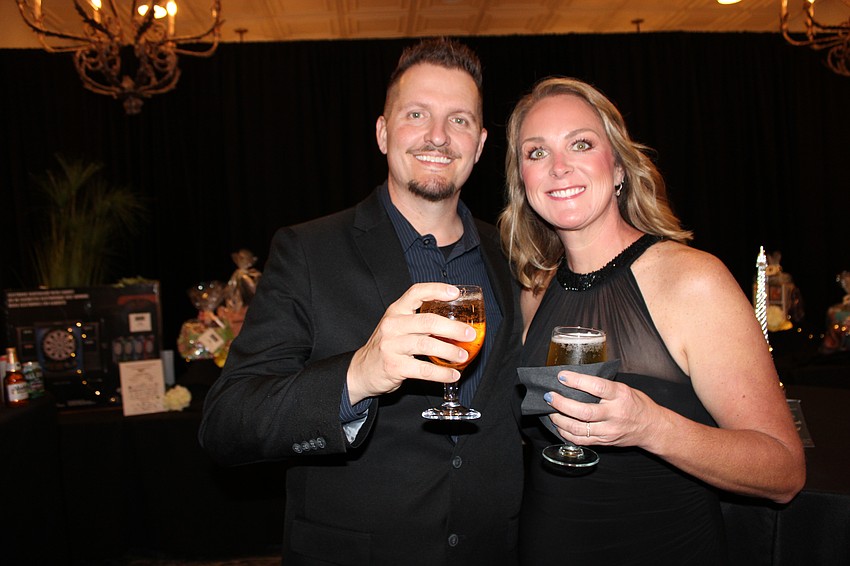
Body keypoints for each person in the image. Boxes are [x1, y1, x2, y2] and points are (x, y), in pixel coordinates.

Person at [199, 38, 524, 566]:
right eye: (416, 114)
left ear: (481, 144)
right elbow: (227, 423)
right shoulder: (307, 251)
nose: (438, 136)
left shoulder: (514, 255)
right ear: (382, 132)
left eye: (459, 120)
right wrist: (358, 376)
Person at [497, 77, 805, 565]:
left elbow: (784, 472)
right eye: (536, 153)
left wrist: (650, 426)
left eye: (580, 144)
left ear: (617, 166)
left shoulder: (693, 280)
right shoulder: (534, 292)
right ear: (523, 182)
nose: (558, 167)